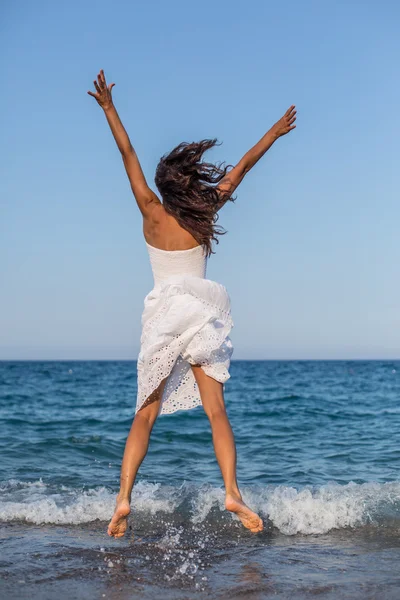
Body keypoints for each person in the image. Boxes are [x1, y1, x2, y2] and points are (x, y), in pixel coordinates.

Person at [88, 69, 296, 538]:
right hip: (201, 312)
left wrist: (108, 108)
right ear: (192, 182)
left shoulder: (150, 212)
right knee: (216, 410)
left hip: (164, 314)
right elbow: (242, 166)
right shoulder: (205, 214)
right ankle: (231, 491)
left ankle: (123, 499)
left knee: (146, 411)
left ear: (164, 184)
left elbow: (128, 154)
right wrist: (275, 133)